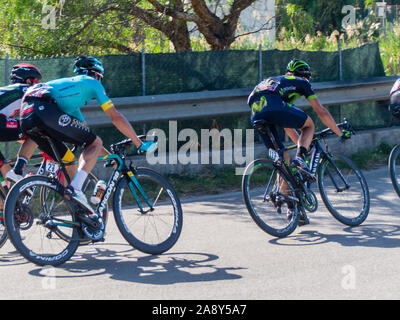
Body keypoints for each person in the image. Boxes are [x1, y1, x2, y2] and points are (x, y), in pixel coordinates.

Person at [19, 56, 156, 219]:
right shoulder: (92, 83)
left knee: (77, 154)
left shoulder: (70, 98)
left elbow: (87, 137)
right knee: (94, 144)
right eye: (100, 78)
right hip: (44, 109)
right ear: (96, 75)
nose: (100, 81)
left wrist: (108, 158)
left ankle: (64, 213)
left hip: (26, 114)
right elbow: (115, 117)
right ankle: (75, 188)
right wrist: (139, 143)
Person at [247, 59, 351, 223]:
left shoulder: (279, 82)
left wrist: (304, 144)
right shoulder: (301, 82)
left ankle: (292, 208)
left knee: (284, 159)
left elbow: (288, 127)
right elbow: (322, 112)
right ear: (305, 76)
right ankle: (300, 159)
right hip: (272, 103)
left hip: (255, 110)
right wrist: (340, 133)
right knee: (309, 125)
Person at [0, 64, 41, 185]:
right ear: (28, 80)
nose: (37, 85)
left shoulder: (8, 93)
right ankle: (18, 171)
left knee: (5, 175)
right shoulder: (25, 89)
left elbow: (13, 132)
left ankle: (10, 201)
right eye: (36, 81)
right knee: (37, 132)